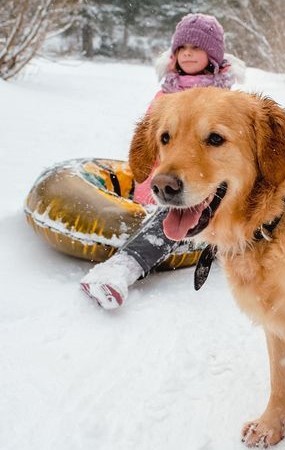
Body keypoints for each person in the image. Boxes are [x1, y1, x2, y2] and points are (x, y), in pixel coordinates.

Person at [80, 13, 243, 309]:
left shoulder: (228, 104)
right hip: (163, 188)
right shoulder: (163, 98)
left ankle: (126, 264)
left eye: (197, 47)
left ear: (214, 55)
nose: (189, 53)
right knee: (167, 216)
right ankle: (121, 267)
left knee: (187, 211)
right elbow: (149, 147)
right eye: (182, 48)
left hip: (206, 192)